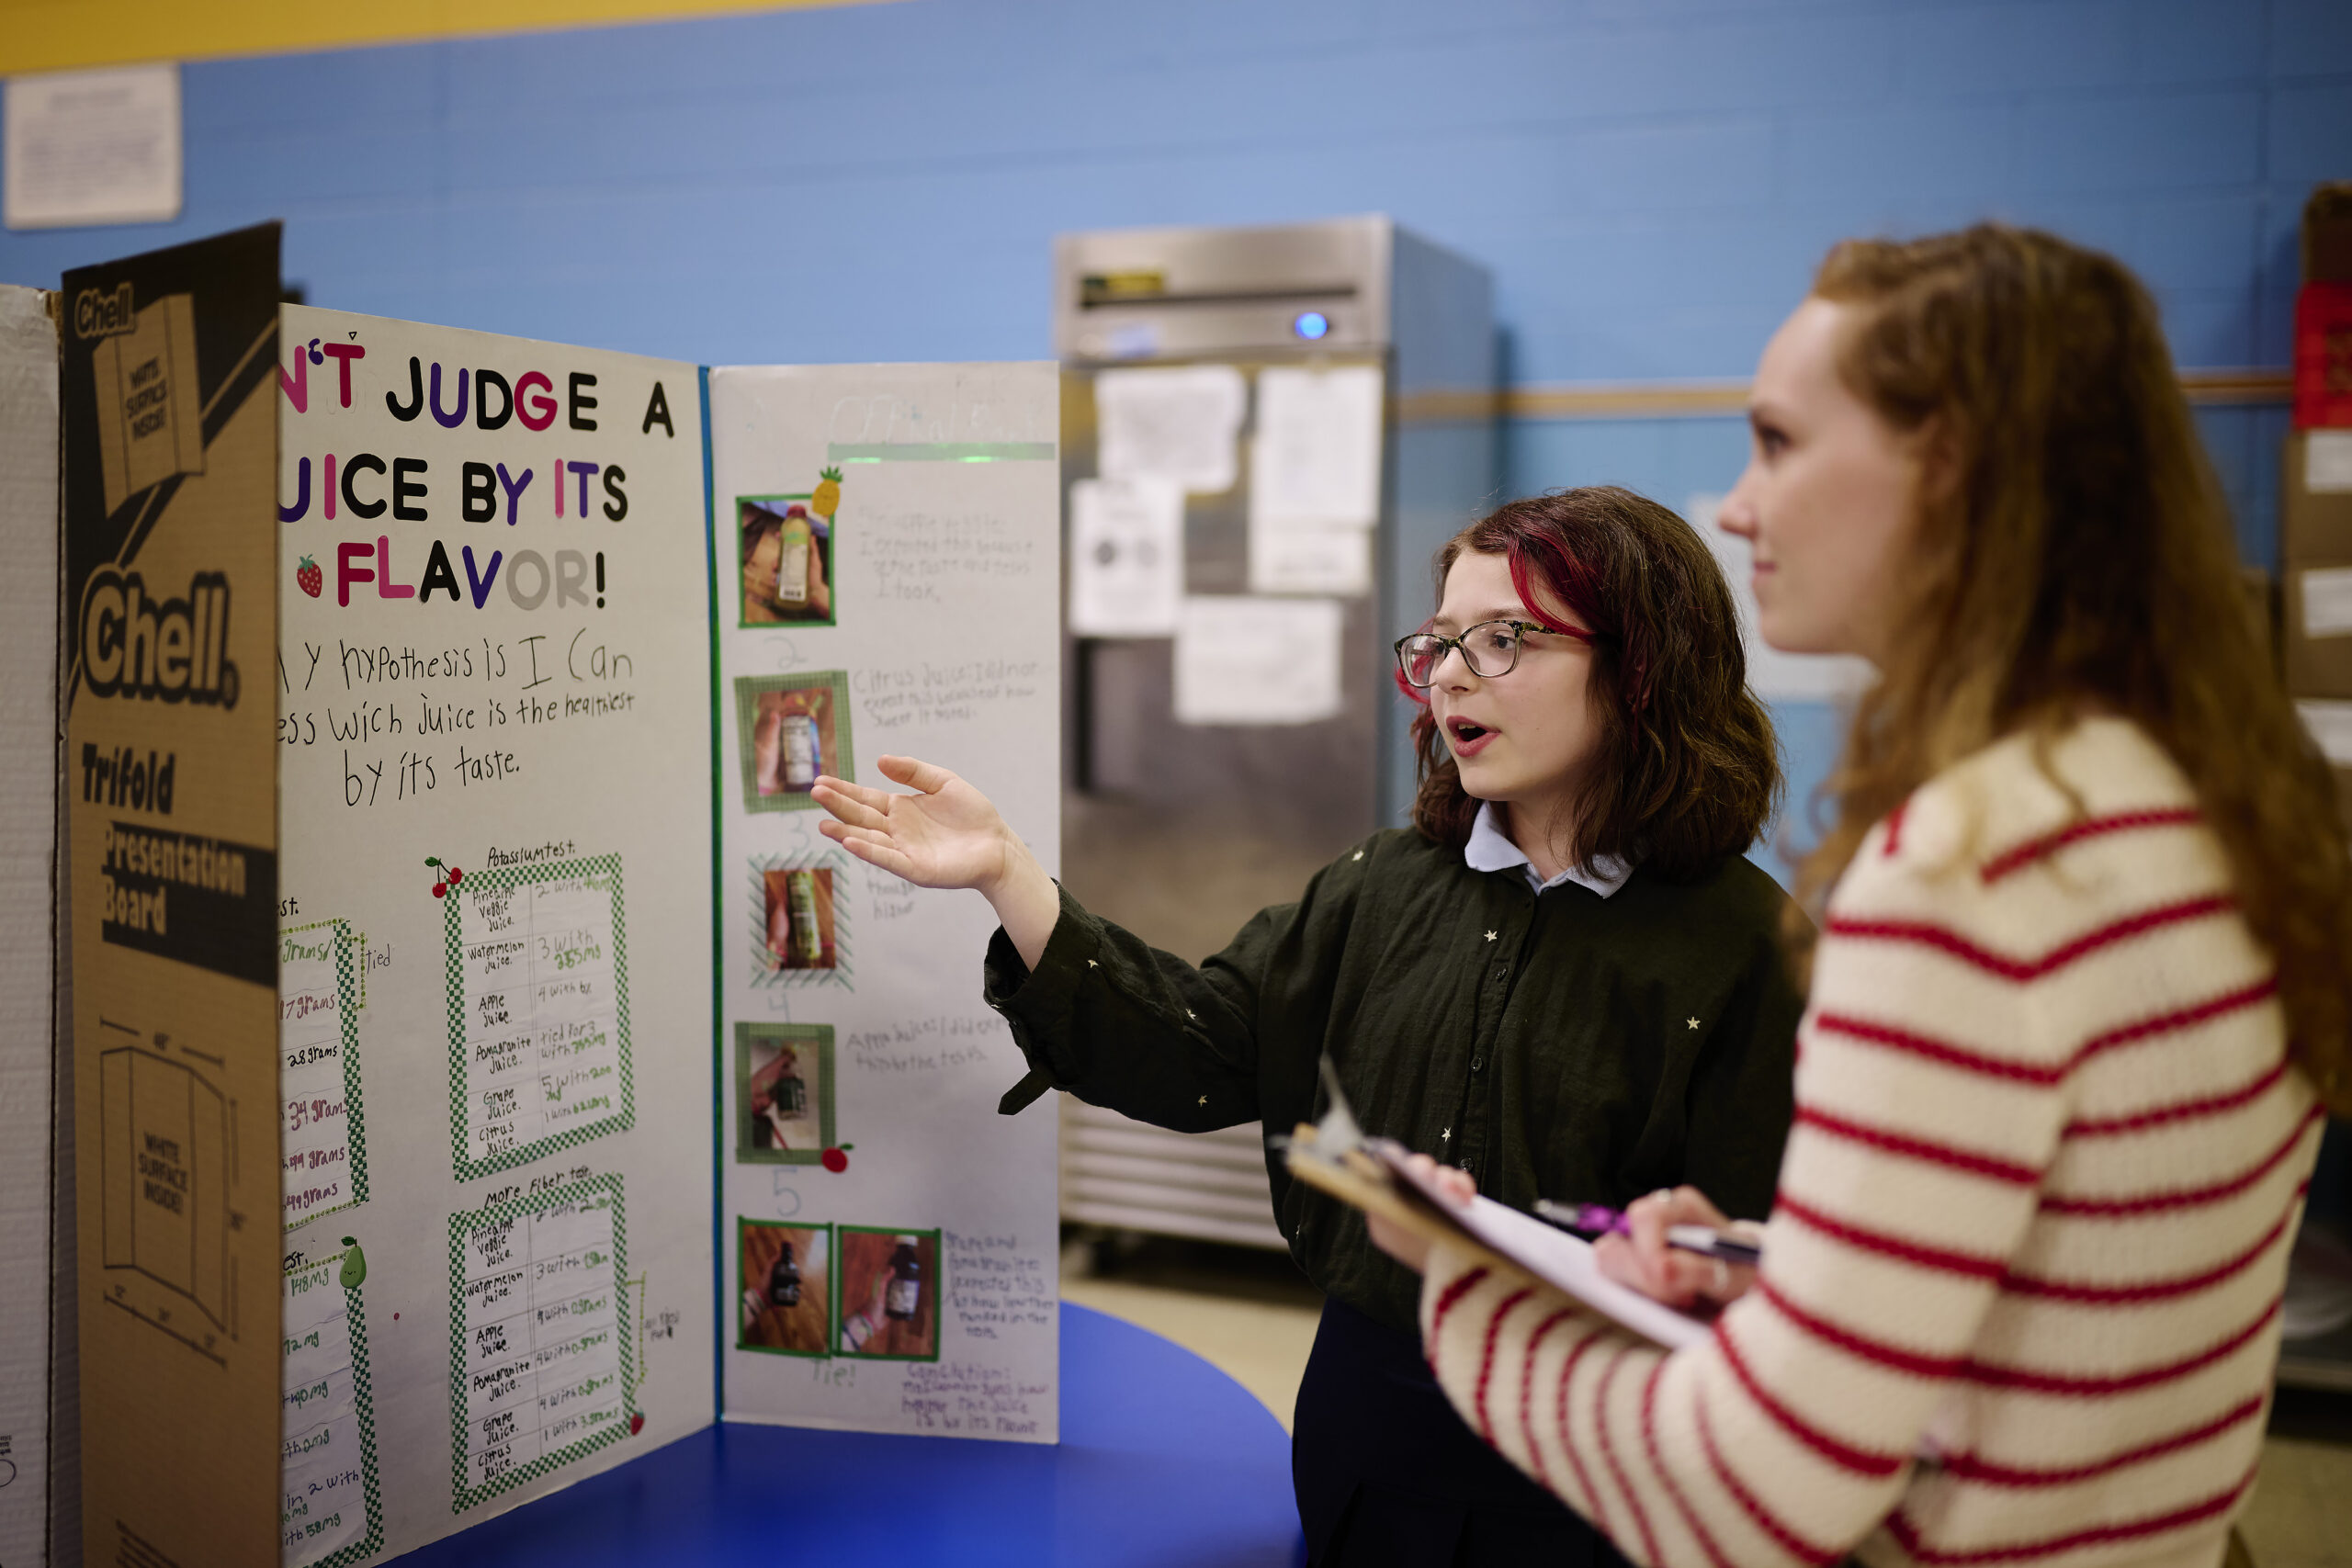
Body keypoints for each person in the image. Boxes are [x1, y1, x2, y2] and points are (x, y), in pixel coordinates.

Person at [1371, 223, 2352, 1568]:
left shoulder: (1974, 867)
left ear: (1951, 473)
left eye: (1777, 442)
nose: (1736, 507)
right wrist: (1781, 1270)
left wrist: (1467, 1287)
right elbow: (2065, 1286)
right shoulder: (2209, 796)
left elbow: (1764, 1493)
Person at [813, 486, 1808, 1564]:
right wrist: (1008, 875)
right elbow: (1196, 1050)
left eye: (1503, 639)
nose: (1451, 675)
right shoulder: (1380, 886)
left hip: (1603, 1461)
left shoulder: (1750, 948)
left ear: (1644, 666)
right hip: (1366, 1432)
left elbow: (1771, 1280)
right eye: (1439, 642)